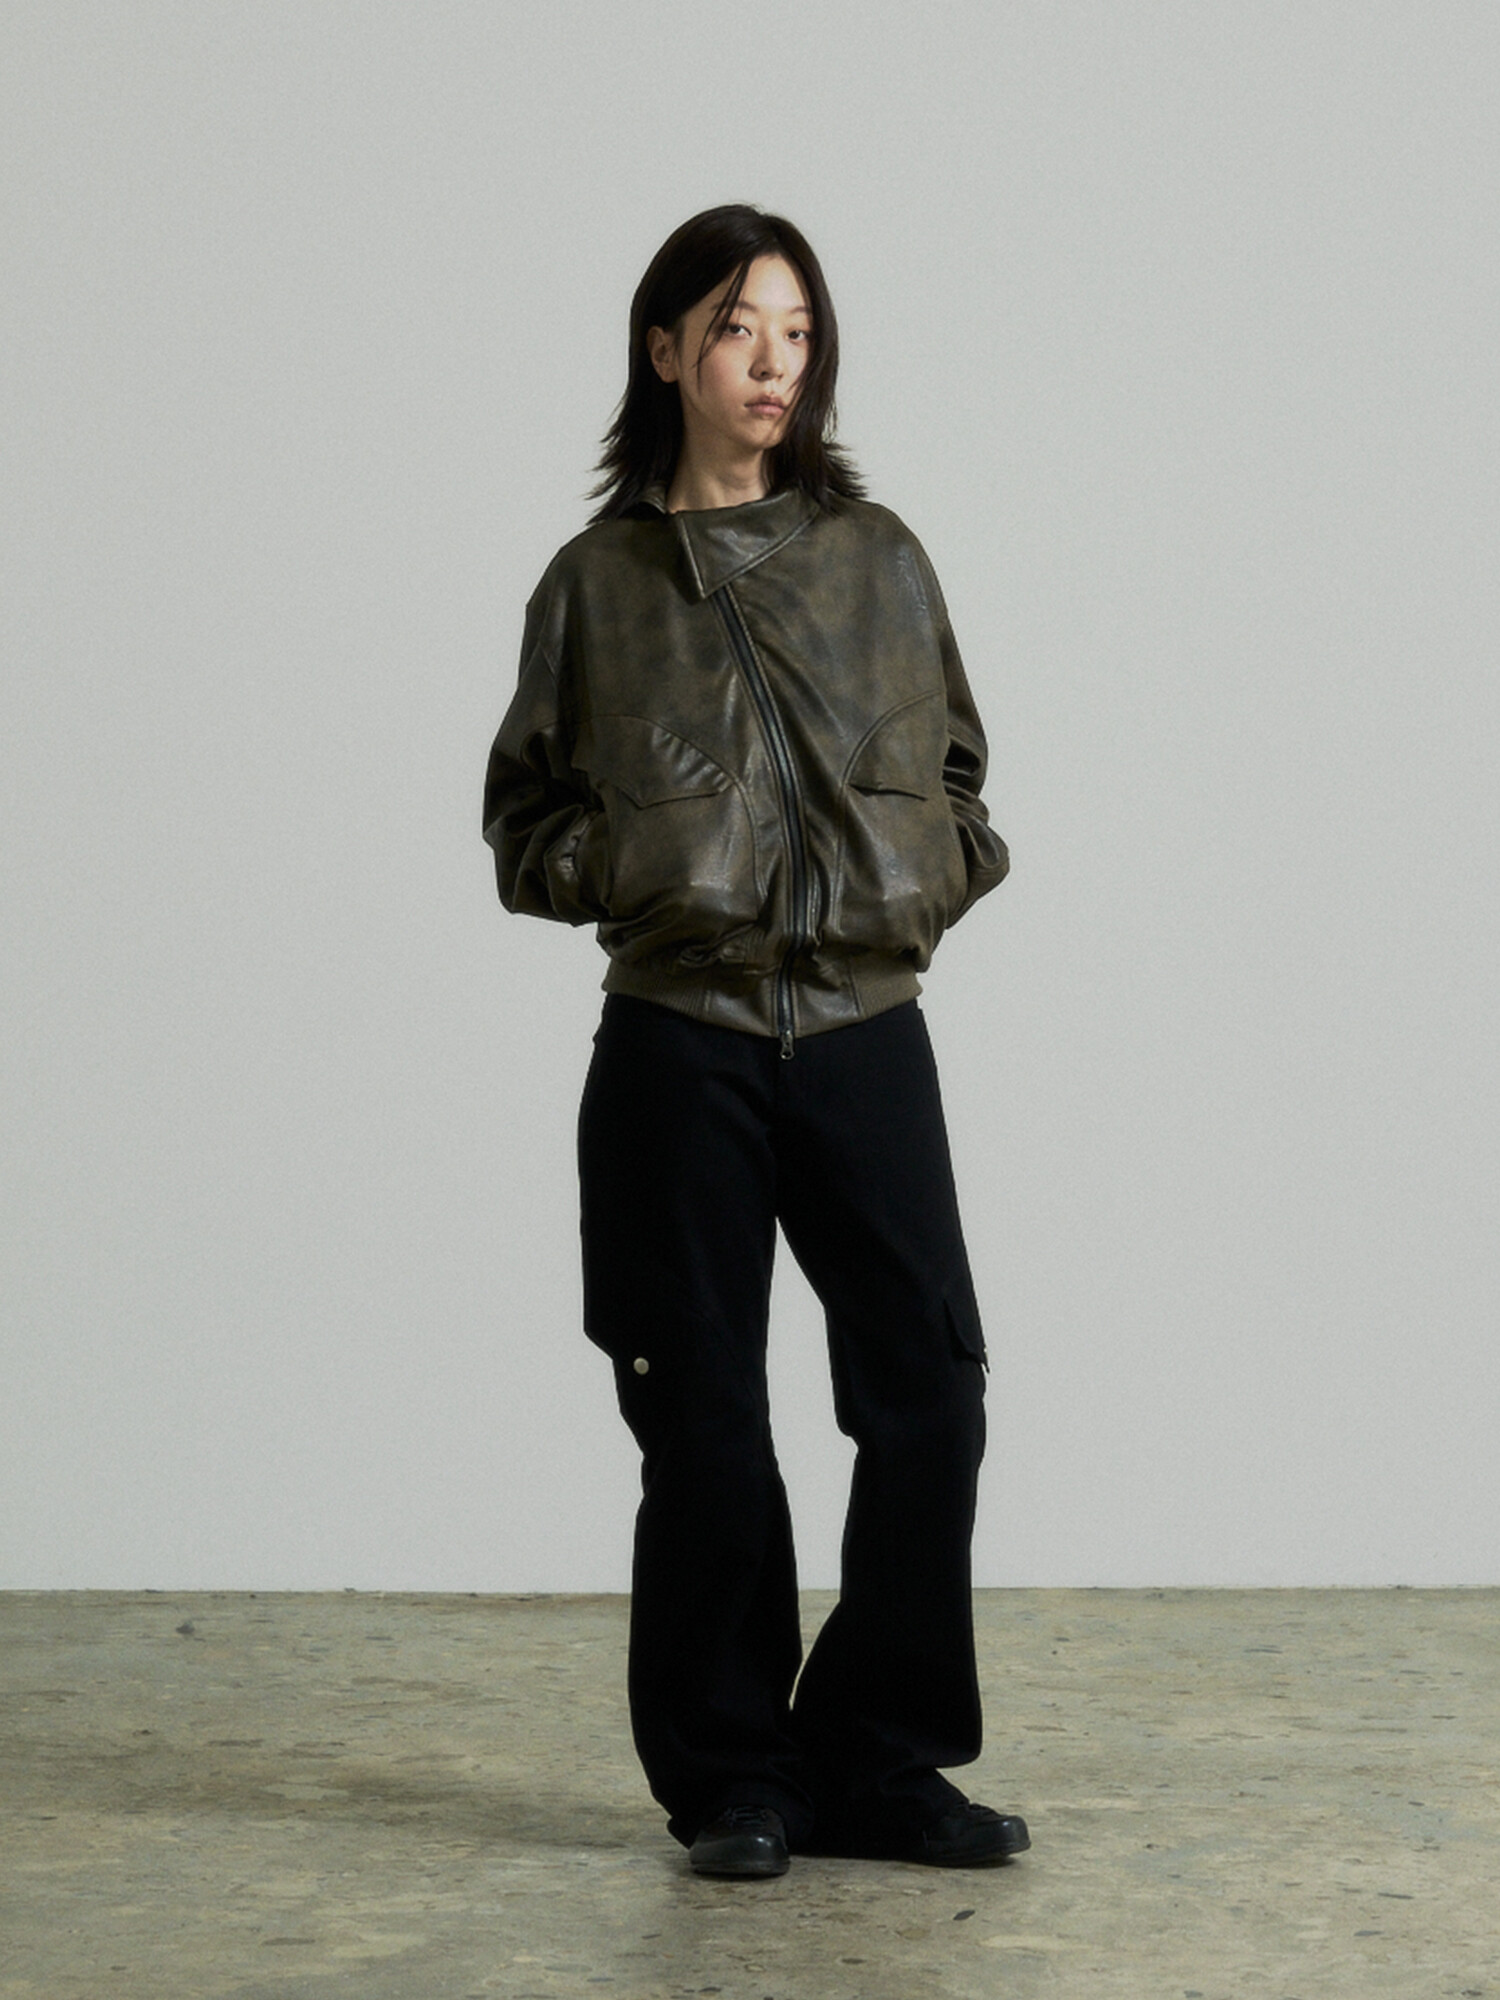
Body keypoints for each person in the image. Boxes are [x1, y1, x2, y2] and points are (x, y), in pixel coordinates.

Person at [482, 205, 1028, 1879]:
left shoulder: (879, 560)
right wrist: (651, 870)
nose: (774, 362)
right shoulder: (595, 588)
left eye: (796, 330)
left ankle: (876, 1755)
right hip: (679, 1047)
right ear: (666, 352)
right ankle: (735, 1778)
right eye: (737, 328)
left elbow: (960, 777)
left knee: (929, 1396)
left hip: (866, 1036)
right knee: (706, 1418)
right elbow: (524, 828)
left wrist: (924, 878)